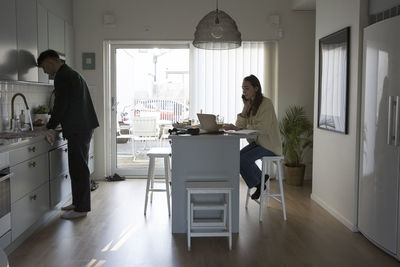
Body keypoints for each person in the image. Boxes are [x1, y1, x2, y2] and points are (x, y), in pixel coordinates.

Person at [37, 49, 99, 219]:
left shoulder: (63, 76)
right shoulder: (70, 73)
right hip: (82, 126)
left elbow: (60, 105)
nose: (45, 71)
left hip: (79, 128)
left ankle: (81, 209)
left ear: (50, 62)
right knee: (77, 167)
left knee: (79, 168)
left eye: (44, 67)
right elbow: (64, 104)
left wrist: (50, 125)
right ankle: (78, 203)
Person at [223, 74, 282, 199]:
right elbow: (240, 124)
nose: (244, 91)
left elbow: (263, 128)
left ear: (256, 88)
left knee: (242, 160)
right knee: (235, 158)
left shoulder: (266, 103)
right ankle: (261, 180)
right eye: (243, 89)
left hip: (269, 145)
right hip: (258, 144)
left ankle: (259, 182)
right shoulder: (250, 104)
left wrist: (240, 128)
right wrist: (245, 109)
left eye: (247, 88)